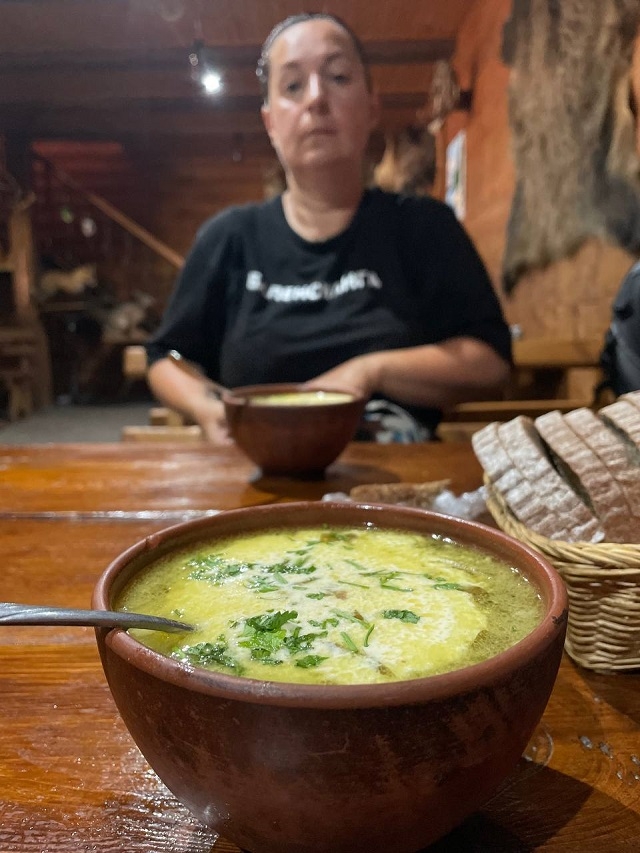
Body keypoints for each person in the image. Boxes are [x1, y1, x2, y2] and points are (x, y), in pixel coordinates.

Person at [146, 12, 511, 444]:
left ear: (372, 106)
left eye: (338, 77)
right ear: (270, 124)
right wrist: (209, 410)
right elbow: (166, 357)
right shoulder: (229, 237)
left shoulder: (423, 227)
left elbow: (490, 361)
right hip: (258, 469)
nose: (316, 98)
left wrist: (371, 370)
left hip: (394, 473)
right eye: (293, 86)